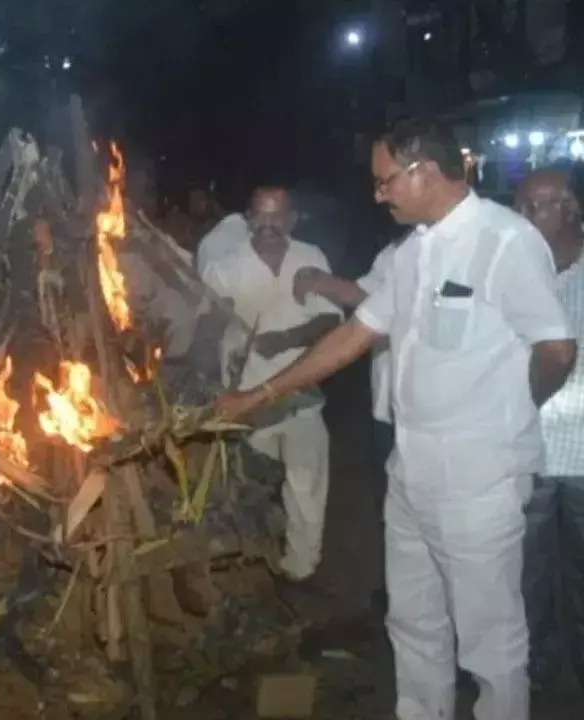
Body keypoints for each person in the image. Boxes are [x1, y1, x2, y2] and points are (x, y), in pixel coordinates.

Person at [216, 117, 578, 720]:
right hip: (409, 469)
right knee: (413, 622)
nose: (378, 194)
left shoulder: (504, 241)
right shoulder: (414, 252)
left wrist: (514, 412)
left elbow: (556, 349)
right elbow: (354, 336)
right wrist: (257, 397)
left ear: (425, 172)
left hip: (478, 477)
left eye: (386, 182)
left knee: (491, 643)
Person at [202, 187, 342, 583]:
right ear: (247, 220)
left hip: (302, 396)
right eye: (260, 218)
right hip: (244, 400)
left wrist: (288, 339)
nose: (268, 226)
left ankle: (301, 570)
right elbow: (207, 326)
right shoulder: (224, 266)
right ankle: (251, 567)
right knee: (247, 489)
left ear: (292, 220)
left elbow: (331, 320)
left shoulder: (311, 257)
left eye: (277, 217)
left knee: (305, 488)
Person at [293, 236, 403, 610]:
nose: (383, 196)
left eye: (390, 183)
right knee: (391, 506)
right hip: (388, 411)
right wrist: (324, 283)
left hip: (437, 422)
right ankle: (397, 592)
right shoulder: (395, 250)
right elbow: (367, 297)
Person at [515, 168, 584, 691]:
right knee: (527, 574)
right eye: (519, 206)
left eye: (533, 207)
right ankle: (538, 668)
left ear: (570, 209)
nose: (524, 218)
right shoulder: (517, 272)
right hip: (530, 452)